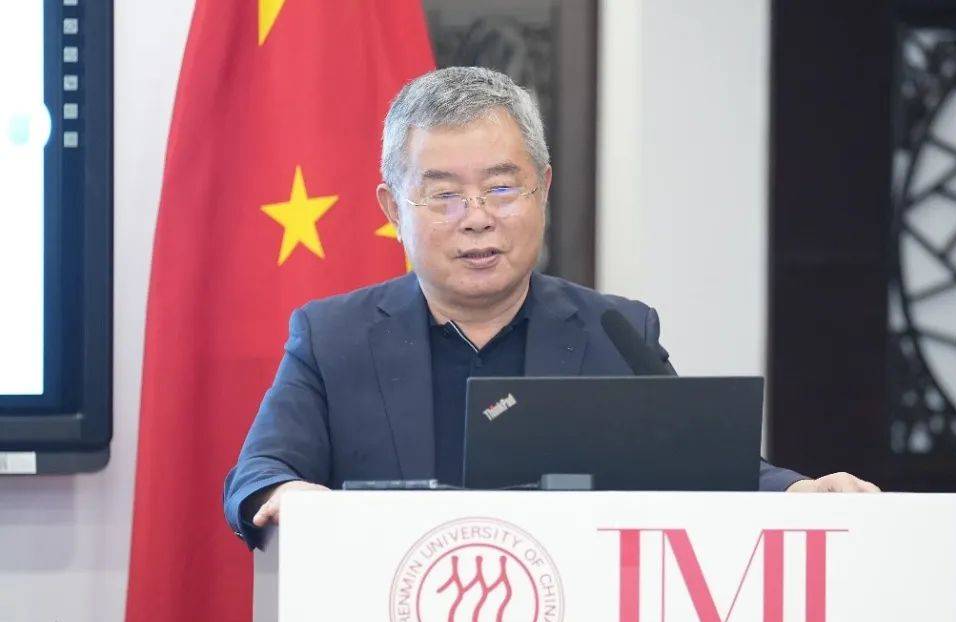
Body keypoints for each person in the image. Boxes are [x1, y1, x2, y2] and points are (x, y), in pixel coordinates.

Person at [222, 67, 878, 548]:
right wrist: (287, 493)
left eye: (502, 188)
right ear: (393, 209)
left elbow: (703, 466)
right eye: (444, 195)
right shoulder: (333, 337)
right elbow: (260, 473)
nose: (477, 218)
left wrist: (798, 492)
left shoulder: (615, 333)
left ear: (544, 189)